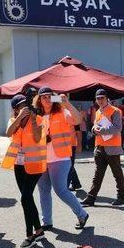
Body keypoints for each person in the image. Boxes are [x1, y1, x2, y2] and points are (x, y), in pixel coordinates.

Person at [35, 87, 89, 230]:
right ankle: (46, 221)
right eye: (43, 97)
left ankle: (82, 214)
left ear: (54, 98)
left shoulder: (63, 112)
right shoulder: (36, 116)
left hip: (60, 157)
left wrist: (67, 103)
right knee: (43, 191)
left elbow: (77, 119)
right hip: (41, 159)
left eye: (49, 96)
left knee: (61, 190)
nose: (47, 99)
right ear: (39, 100)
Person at [2, 94, 46, 248]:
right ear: (15, 108)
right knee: (27, 198)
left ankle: (30, 235)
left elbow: (36, 138)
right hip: (19, 165)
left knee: (25, 198)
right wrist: (19, 117)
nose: (25, 107)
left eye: (26, 105)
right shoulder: (14, 119)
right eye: (21, 106)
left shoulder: (39, 119)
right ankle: (39, 230)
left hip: (34, 164)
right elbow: (8, 132)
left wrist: (33, 120)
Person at [81, 89, 124, 207]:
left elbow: (117, 128)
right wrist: (93, 130)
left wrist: (101, 131)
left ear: (107, 99)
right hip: (100, 147)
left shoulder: (115, 111)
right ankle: (91, 198)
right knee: (97, 175)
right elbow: (95, 126)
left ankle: (121, 197)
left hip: (112, 148)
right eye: (98, 98)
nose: (100, 100)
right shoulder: (98, 112)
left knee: (117, 174)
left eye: (102, 98)